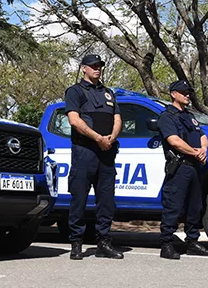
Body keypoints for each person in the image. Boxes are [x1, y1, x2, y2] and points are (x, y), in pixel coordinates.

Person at [65, 54, 123, 260]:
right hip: (85, 152)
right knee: (79, 198)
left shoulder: (108, 93)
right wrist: (98, 138)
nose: (97, 69)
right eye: (93, 66)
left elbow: (117, 118)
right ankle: (76, 242)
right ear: (83, 68)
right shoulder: (75, 91)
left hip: (106, 152)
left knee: (106, 200)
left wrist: (111, 138)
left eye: (99, 66)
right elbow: (74, 120)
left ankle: (103, 242)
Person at [157, 80, 208, 259]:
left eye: (188, 92)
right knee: (173, 207)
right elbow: (173, 140)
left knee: (195, 207)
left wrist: (203, 149)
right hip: (180, 166)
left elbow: (203, 135)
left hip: (195, 168)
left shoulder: (190, 116)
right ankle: (166, 244)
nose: (187, 95)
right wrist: (194, 152)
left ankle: (192, 242)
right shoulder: (167, 116)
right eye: (183, 92)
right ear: (173, 94)